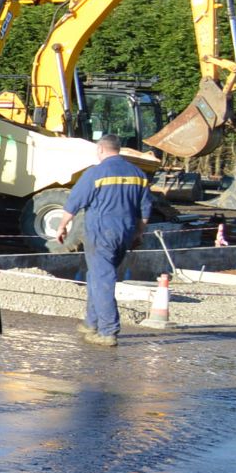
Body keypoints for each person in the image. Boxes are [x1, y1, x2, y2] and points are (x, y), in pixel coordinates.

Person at [57, 135, 152, 347]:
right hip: (125, 232)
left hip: (101, 232)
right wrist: (139, 233)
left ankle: (108, 331)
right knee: (97, 276)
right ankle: (91, 323)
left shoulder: (96, 172)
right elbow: (145, 210)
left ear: (101, 149)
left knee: (102, 278)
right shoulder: (138, 174)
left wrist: (63, 226)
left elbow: (74, 202)